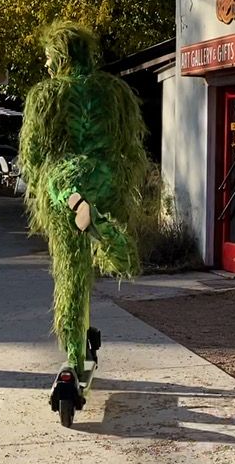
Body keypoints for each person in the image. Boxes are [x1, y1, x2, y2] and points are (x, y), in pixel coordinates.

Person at [18, 21, 148, 413]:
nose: (44, 63)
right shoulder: (115, 92)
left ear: (59, 55)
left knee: (71, 277)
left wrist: (49, 188)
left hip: (65, 185)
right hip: (106, 176)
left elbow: (35, 156)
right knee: (102, 251)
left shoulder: (46, 95)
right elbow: (131, 148)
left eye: (47, 57)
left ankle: (74, 357)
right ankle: (107, 234)